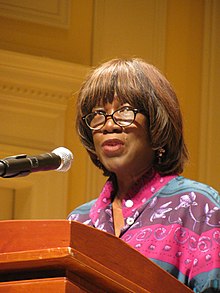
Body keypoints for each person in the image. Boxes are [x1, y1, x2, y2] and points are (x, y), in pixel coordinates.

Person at [67, 58, 220, 292]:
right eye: (98, 114)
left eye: (125, 111)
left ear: (157, 123)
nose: (109, 125)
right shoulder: (78, 221)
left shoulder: (199, 206)